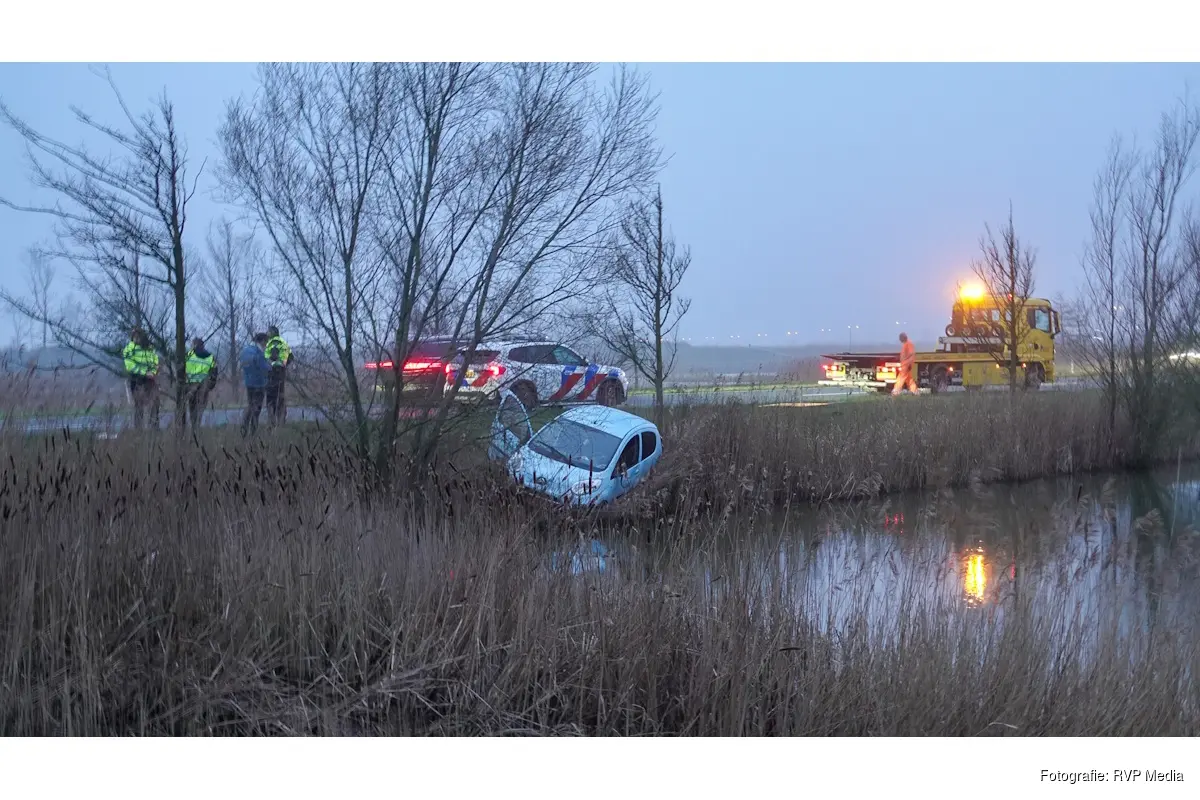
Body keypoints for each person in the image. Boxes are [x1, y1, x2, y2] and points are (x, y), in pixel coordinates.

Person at [122, 327, 160, 429]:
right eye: (134, 337)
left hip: (150, 379)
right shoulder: (129, 349)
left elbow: (155, 361)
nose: (136, 339)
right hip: (136, 378)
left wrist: (153, 372)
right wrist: (145, 373)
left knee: (155, 403)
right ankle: (138, 428)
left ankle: (154, 427)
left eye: (138, 337)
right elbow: (130, 366)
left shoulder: (150, 348)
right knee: (138, 404)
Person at [239, 333, 271, 437]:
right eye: (266, 342)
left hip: (248, 383)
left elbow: (243, 365)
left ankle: (244, 427)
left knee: (250, 405)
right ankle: (253, 432)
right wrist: (270, 366)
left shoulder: (245, 351)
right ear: (262, 341)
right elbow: (264, 368)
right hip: (259, 383)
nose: (266, 345)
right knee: (256, 409)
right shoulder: (258, 352)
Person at [184, 337, 218, 430]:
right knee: (200, 408)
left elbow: (182, 370)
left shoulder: (188, 355)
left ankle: (193, 426)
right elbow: (214, 372)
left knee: (192, 407)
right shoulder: (210, 357)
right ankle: (197, 426)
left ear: (194, 345)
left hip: (191, 385)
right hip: (204, 386)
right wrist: (211, 386)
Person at [264, 325, 293, 426]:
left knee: (271, 398)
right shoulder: (283, 343)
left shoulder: (273, 343)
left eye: (268, 331)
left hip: (273, 374)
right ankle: (281, 420)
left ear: (272, 332)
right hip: (281, 373)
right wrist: (283, 365)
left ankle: (272, 421)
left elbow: (273, 356)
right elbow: (291, 357)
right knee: (280, 396)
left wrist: (273, 365)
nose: (267, 333)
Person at [892, 331, 919, 396]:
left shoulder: (908, 344)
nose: (899, 340)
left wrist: (909, 364)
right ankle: (915, 392)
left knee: (901, 378)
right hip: (905, 364)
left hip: (906, 365)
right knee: (909, 379)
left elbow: (911, 354)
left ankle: (896, 391)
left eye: (900, 338)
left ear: (903, 338)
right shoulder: (906, 344)